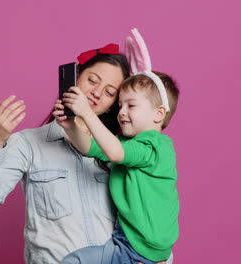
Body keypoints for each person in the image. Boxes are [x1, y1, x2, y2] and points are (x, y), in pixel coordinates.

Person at [0, 43, 172, 264]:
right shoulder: (29, 144)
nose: (96, 93)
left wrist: (160, 260)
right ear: (75, 77)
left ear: (115, 104)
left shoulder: (120, 151)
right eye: (92, 80)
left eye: (110, 92)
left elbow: (152, 211)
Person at [55, 29, 179, 264]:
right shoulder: (126, 143)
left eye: (131, 106)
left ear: (158, 114)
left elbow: (114, 152)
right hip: (128, 241)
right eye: (120, 105)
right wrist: (71, 126)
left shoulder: (155, 146)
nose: (121, 112)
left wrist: (85, 112)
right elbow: (88, 147)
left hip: (138, 249)